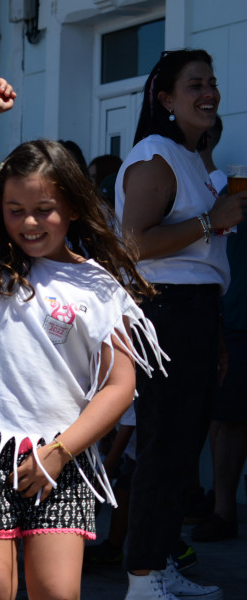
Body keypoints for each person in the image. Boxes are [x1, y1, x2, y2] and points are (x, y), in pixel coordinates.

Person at [0, 75, 164, 600]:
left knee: (56, 591)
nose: (29, 223)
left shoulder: (101, 284)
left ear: (72, 207)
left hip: (63, 449)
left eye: (43, 209)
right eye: (15, 210)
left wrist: (61, 452)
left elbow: (120, 384)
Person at [117, 49, 247, 600]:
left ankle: (161, 560)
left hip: (195, 312)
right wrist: (209, 221)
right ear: (166, 99)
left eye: (212, 82)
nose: (209, 92)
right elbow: (132, 243)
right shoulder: (156, 156)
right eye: (194, 84)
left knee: (181, 450)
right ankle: (143, 576)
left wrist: (214, 331)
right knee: (164, 447)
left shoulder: (193, 157)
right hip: (164, 310)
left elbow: (203, 264)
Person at [192, 115, 247, 544]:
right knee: (222, 418)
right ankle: (220, 509)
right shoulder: (214, 188)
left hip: (230, 317)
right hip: (225, 319)